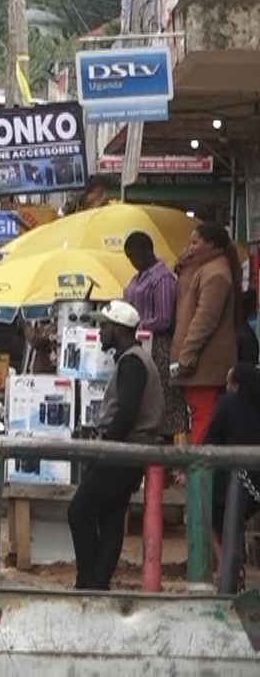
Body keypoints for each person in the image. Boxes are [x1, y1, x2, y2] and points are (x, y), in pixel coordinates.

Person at [67, 300, 166, 591]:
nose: (99, 331)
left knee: (80, 512)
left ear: (119, 329)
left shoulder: (132, 362)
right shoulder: (135, 358)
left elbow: (127, 411)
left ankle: (89, 580)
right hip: (131, 451)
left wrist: (107, 446)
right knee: (110, 518)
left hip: (123, 450)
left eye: (104, 326)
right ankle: (98, 582)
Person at [175, 220, 241, 445]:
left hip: (205, 364)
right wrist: (182, 265)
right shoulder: (204, 267)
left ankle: (200, 477)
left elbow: (205, 320)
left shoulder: (216, 274)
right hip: (200, 364)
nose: (190, 247)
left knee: (203, 420)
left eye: (195, 242)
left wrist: (187, 354)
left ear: (211, 244)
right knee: (199, 417)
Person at [123, 230, 188, 440]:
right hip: (139, 344)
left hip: (159, 347)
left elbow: (164, 318)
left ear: (147, 251)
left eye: (134, 256)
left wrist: (138, 323)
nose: (132, 261)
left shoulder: (163, 279)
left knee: (161, 398)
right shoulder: (138, 278)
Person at [204, 363, 260, 586]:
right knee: (231, 516)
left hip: (232, 481)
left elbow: (211, 439)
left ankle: (225, 566)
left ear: (235, 384)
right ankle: (228, 564)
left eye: (228, 382)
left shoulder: (227, 403)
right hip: (255, 485)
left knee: (203, 513)